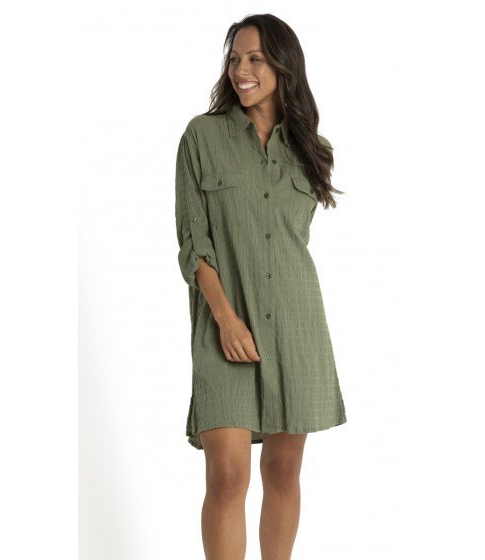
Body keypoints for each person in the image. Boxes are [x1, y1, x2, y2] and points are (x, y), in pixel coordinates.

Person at [174, 13, 347, 560]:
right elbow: (194, 244)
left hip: (295, 326)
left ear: (283, 66)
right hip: (224, 324)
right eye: (234, 58)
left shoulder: (314, 149)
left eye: (255, 58)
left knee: (283, 472)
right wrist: (226, 319)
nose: (241, 69)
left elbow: (292, 243)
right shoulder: (202, 137)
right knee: (227, 477)